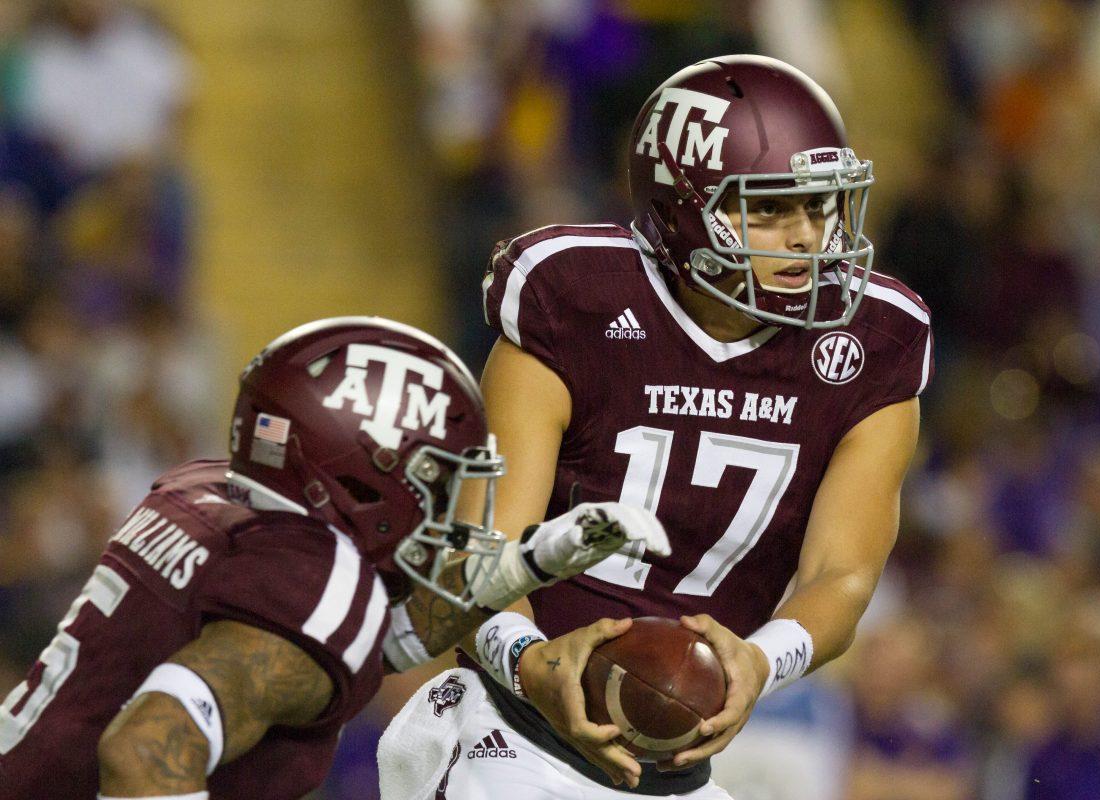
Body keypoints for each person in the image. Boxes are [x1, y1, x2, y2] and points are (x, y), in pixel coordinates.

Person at [379, 54, 933, 799]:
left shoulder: (872, 342)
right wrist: (532, 664)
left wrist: (759, 663)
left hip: (677, 774)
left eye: (819, 205)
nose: (807, 236)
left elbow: (844, 577)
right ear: (683, 208)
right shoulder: (575, 299)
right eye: (768, 208)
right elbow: (475, 559)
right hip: (506, 732)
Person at [0, 316, 669, 800]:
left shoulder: (205, 490)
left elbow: (361, 645)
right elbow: (144, 751)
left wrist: (531, 562)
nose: (442, 507)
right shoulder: (315, 574)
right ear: (358, 476)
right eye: (433, 479)